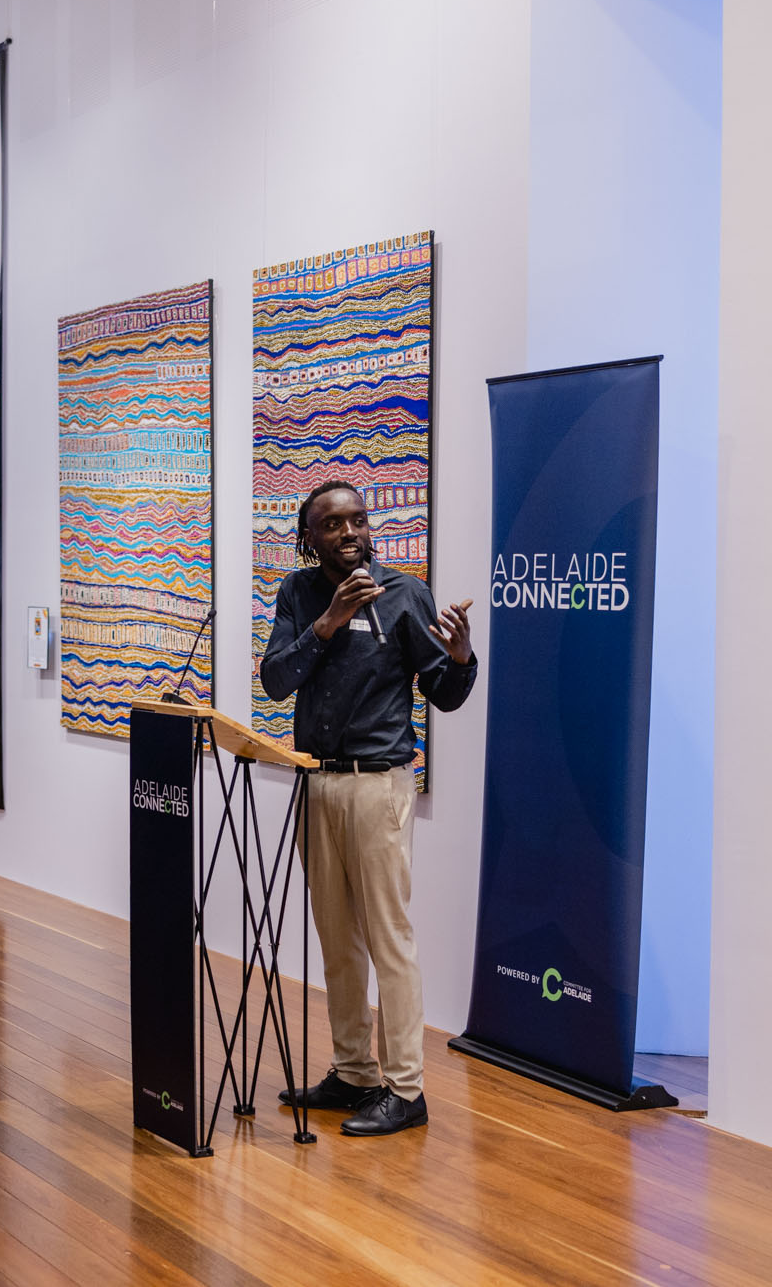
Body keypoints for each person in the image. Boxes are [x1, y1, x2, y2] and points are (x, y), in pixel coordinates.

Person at [260, 480, 477, 1138]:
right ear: (309, 537)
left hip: (378, 787)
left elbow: (445, 693)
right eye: (333, 524)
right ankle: (354, 1072)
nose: (350, 532)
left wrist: (461, 658)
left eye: (358, 520)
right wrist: (326, 623)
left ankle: (405, 1089)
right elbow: (275, 680)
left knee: (389, 938)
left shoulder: (405, 593)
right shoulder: (298, 595)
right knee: (336, 938)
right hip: (316, 783)